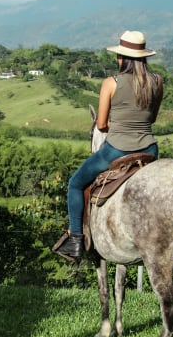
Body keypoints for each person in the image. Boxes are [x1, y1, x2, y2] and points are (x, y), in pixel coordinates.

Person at [54, 30, 163, 259]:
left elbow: (102, 125)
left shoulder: (110, 83)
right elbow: (151, 119)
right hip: (150, 150)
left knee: (75, 183)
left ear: (122, 58)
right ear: (143, 57)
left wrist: (118, 122)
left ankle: (75, 238)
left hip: (117, 150)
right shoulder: (157, 81)